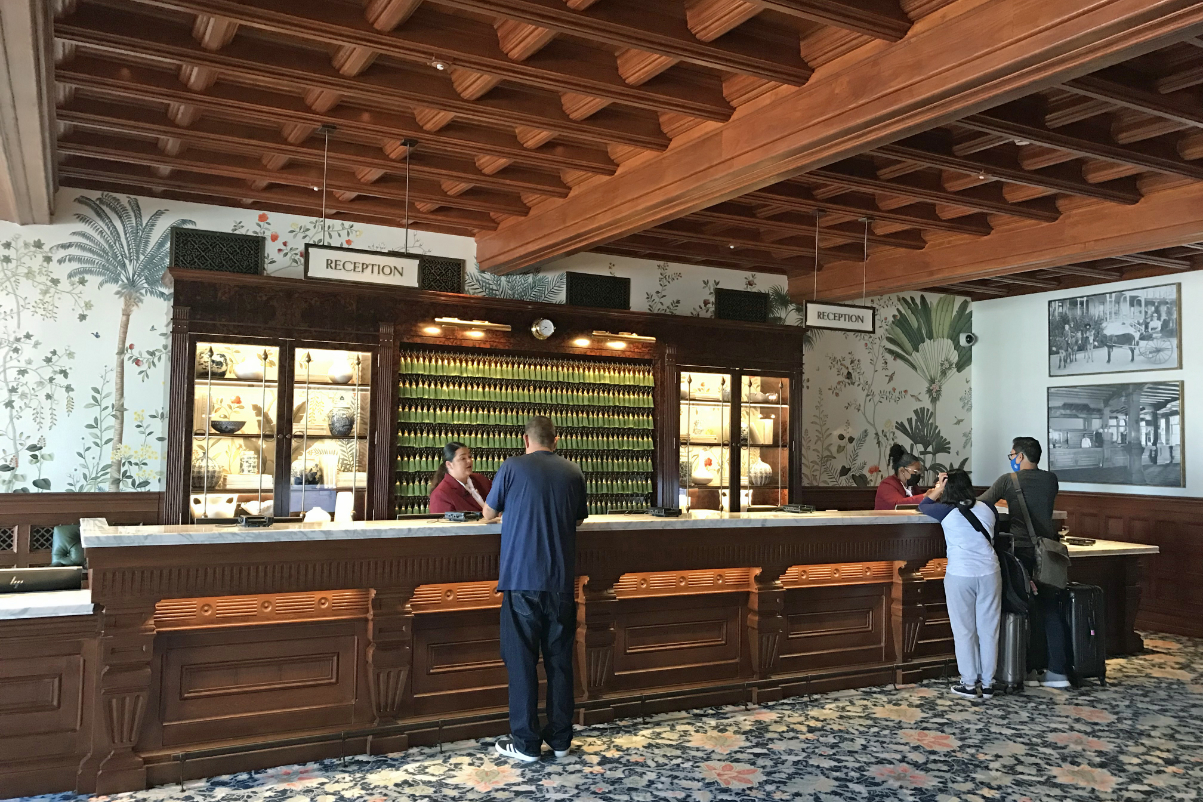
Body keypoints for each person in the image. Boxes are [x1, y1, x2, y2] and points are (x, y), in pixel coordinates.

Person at [482, 416, 588, 763]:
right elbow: (577, 519)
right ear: (556, 441)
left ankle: (526, 743)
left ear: (525, 440)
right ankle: (560, 740)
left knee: (522, 662)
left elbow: (487, 513)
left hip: (522, 580)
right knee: (559, 662)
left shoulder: (511, 467)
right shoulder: (574, 472)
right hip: (560, 583)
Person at [978, 437, 1070, 688]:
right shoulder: (1051, 479)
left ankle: (1022, 668)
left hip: (1021, 553)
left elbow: (981, 504)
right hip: (1048, 553)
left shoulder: (1009, 480)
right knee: (1050, 609)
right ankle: (1057, 672)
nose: (1011, 460)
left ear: (1019, 456)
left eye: (1011, 455)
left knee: (1020, 608)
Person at [919, 471, 1001, 700]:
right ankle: (988, 684)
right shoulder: (988, 508)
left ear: (949, 488)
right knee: (989, 629)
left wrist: (938, 488)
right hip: (990, 572)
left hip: (961, 574)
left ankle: (968, 683)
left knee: (965, 631)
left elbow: (923, 504)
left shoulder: (945, 511)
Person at [429, 442, 493, 514]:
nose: (469, 461)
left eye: (469, 457)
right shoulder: (440, 495)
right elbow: (444, 524)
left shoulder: (480, 480)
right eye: (463, 458)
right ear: (449, 464)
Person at [874, 444, 924, 509]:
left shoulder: (912, 486)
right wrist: (926, 496)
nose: (918, 474)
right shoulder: (887, 485)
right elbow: (899, 505)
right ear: (902, 470)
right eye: (915, 472)